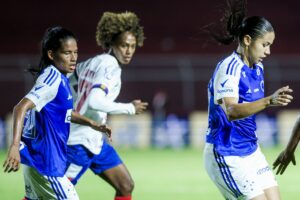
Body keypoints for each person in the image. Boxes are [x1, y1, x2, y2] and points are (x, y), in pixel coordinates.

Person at [2, 26, 111, 200]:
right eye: (67, 53)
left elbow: (64, 112)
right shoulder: (52, 79)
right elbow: (20, 108)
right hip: (47, 165)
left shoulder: (59, 77)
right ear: (51, 54)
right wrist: (14, 146)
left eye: (75, 52)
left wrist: (92, 124)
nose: (74, 58)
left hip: (38, 162)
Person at [203, 0, 294, 199]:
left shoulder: (258, 68)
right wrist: (269, 101)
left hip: (251, 151)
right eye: (264, 45)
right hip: (226, 152)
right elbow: (232, 111)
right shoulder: (229, 68)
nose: (268, 52)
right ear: (247, 40)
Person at [65, 11, 148, 200]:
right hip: (79, 143)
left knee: (125, 185)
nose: (128, 51)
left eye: (133, 46)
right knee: (52, 193)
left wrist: (74, 103)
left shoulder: (94, 61)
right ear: (112, 43)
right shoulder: (110, 66)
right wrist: (130, 108)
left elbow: (68, 78)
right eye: (124, 45)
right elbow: (95, 101)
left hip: (95, 140)